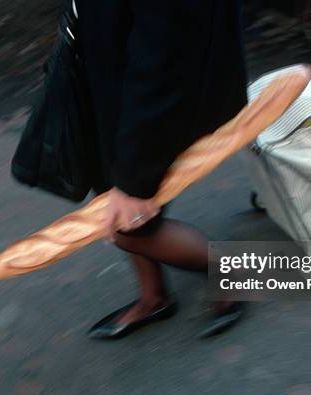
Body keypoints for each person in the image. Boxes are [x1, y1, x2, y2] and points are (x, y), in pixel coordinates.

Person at [76, 0, 248, 339]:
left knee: (126, 222)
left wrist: (133, 183)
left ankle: (232, 272)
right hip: (115, 74)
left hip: (159, 90)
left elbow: (162, 55)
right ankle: (154, 297)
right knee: (114, 194)